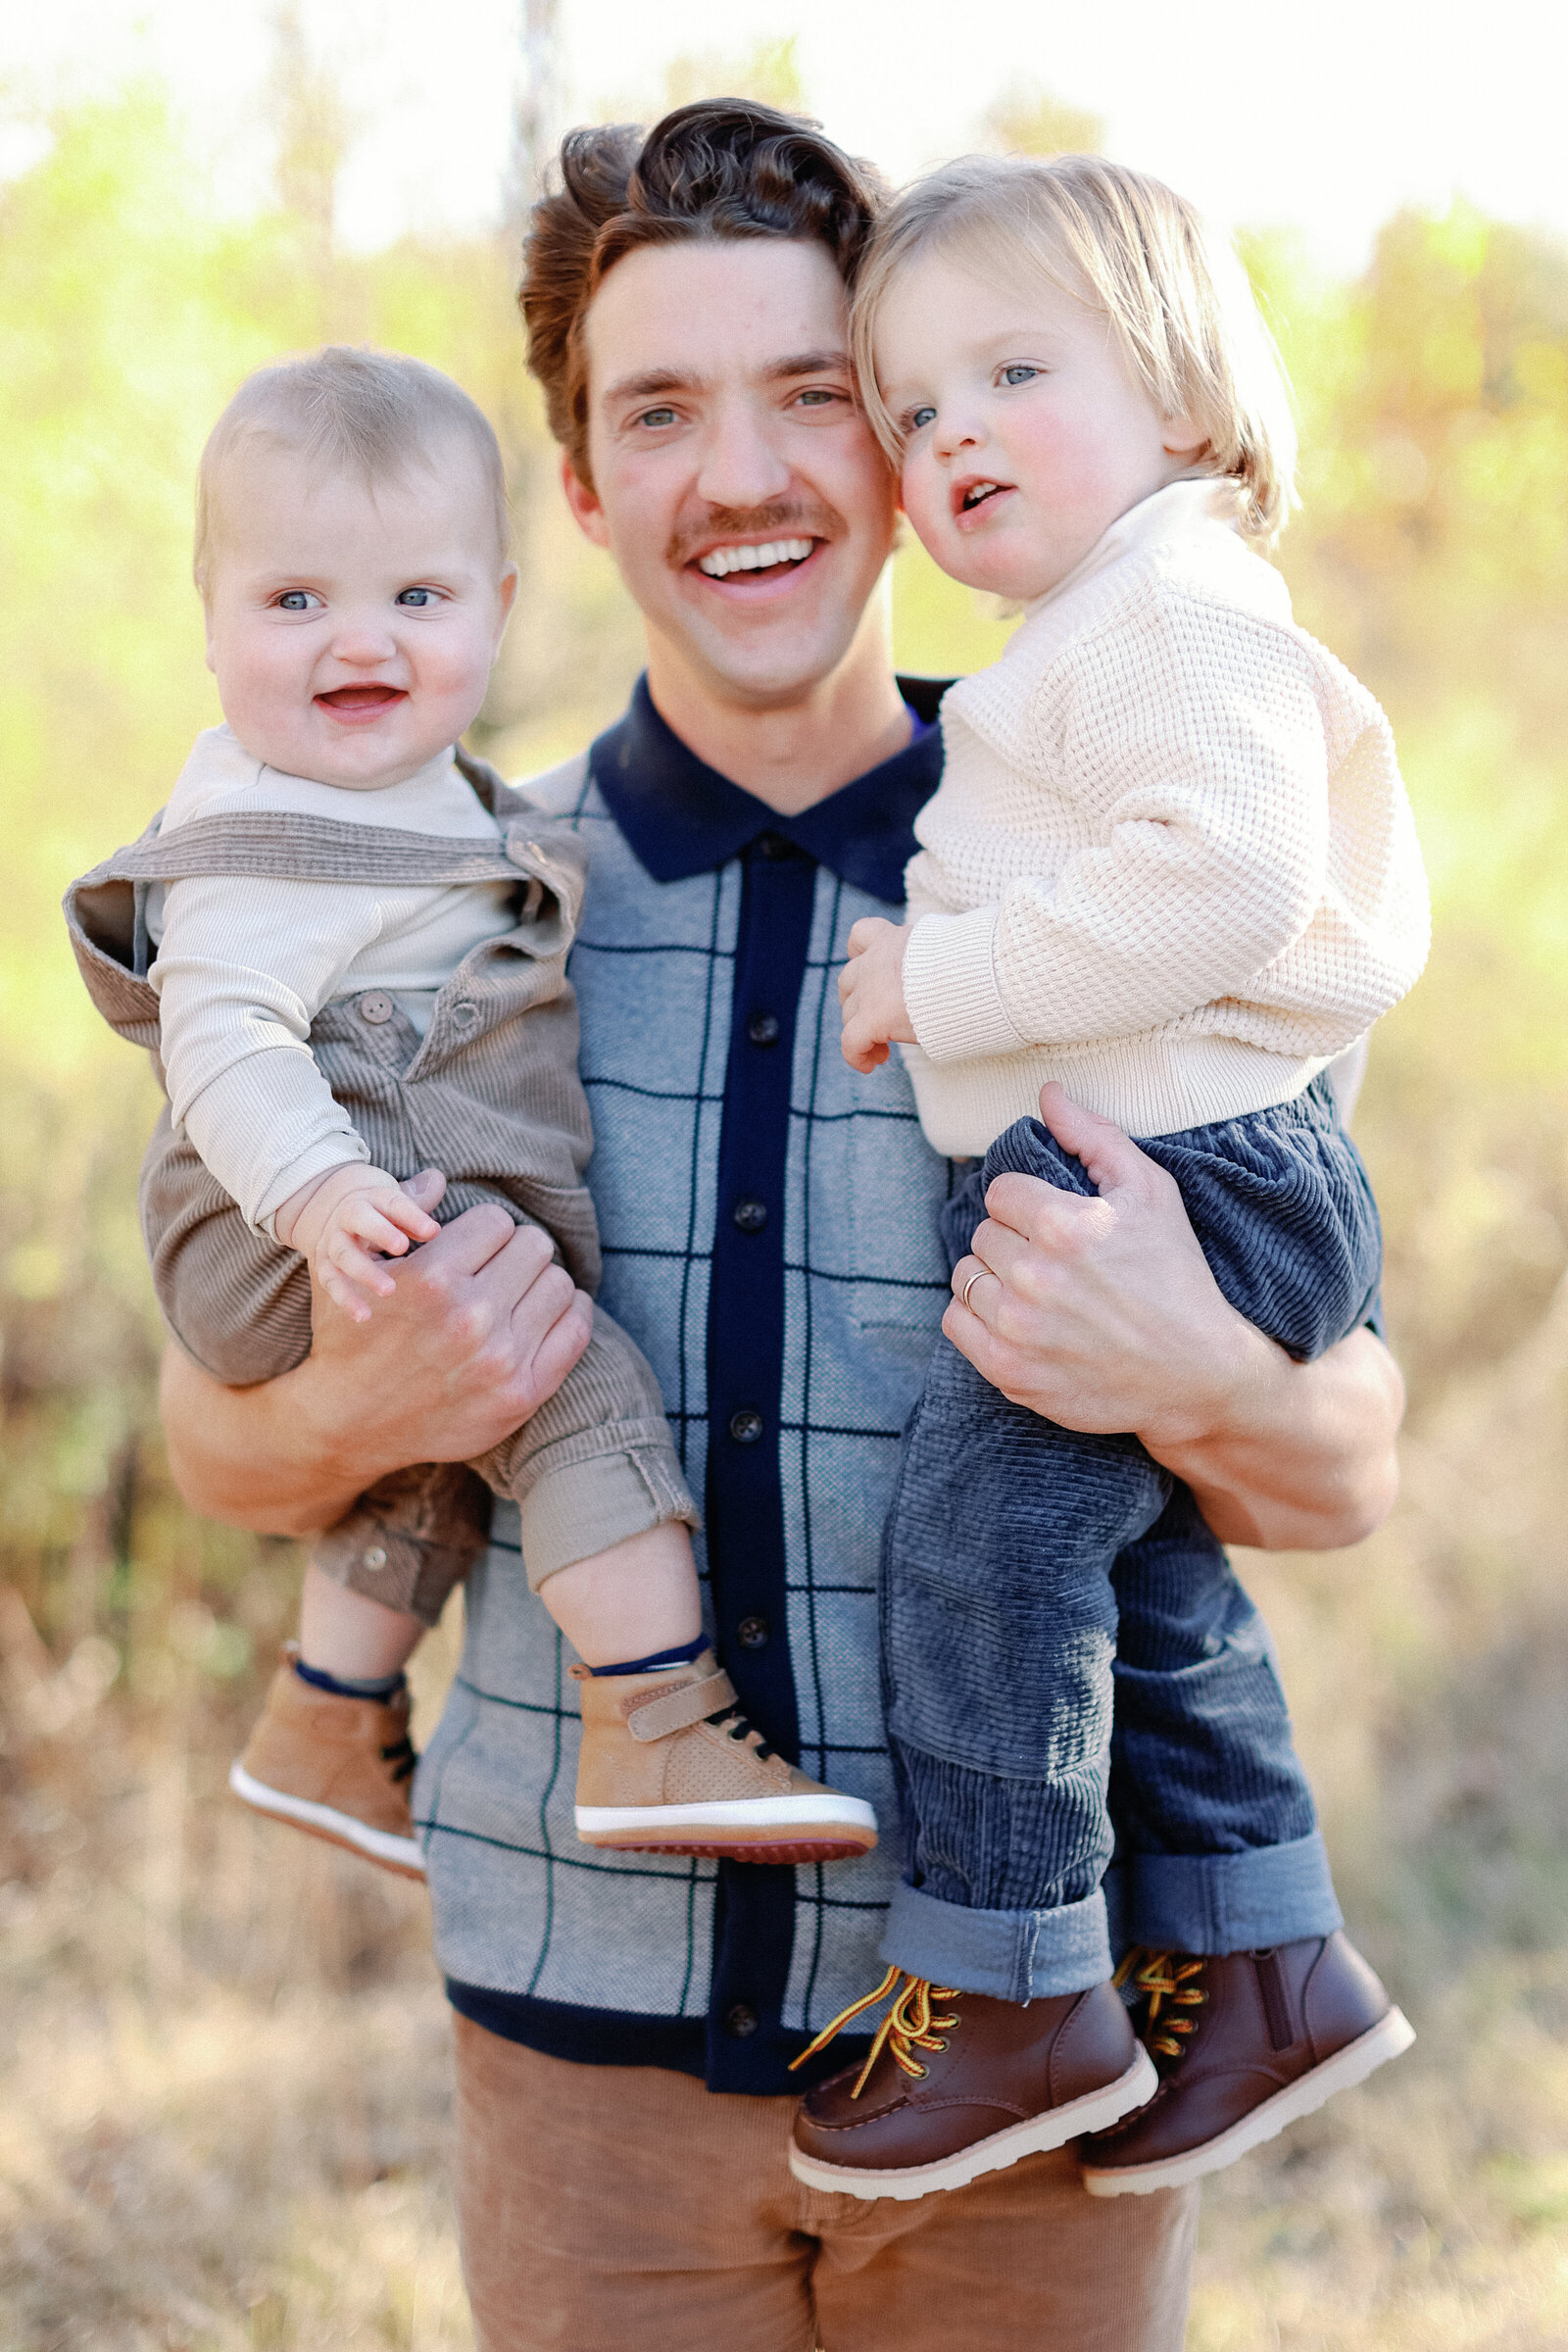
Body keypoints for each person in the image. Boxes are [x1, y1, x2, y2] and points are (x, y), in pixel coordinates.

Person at [157, 101, 1409, 2352]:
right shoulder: (412, 884)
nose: (738, 475)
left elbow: (1341, 1467)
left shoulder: (1135, 859)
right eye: (656, 411)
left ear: (911, 449)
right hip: (582, 2059)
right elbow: (220, 1456)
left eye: (813, 396)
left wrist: (1192, 1374)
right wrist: (382, 1384)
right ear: (576, 491)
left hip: (1049, 2092)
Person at [788, 156, 1426, 2203]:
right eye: (908, 407)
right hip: (1174, 1157)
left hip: (1184, 1173)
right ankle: (1256, 1960)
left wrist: (941, 974)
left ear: (1175, 394)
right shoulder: (1107, 616)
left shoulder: (1168, 596)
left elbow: (1218, 874)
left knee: (979, 1546)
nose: (948, 430)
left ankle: (1014, 1979)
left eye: (1007, 370)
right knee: (1134, 1579)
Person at [67, 346, 874, 1878]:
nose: (354, 643)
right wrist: (311, 1195)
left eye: (414, 602)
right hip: (299, 1211)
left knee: (451, 1434)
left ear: (500, 605)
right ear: (211, 610)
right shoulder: (268, 834)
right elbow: (224, 1035)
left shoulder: (432, 801)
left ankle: (327, 1711)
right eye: (294, 601)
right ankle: (652, 1723)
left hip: (348, 1202)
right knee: (566, 1377)